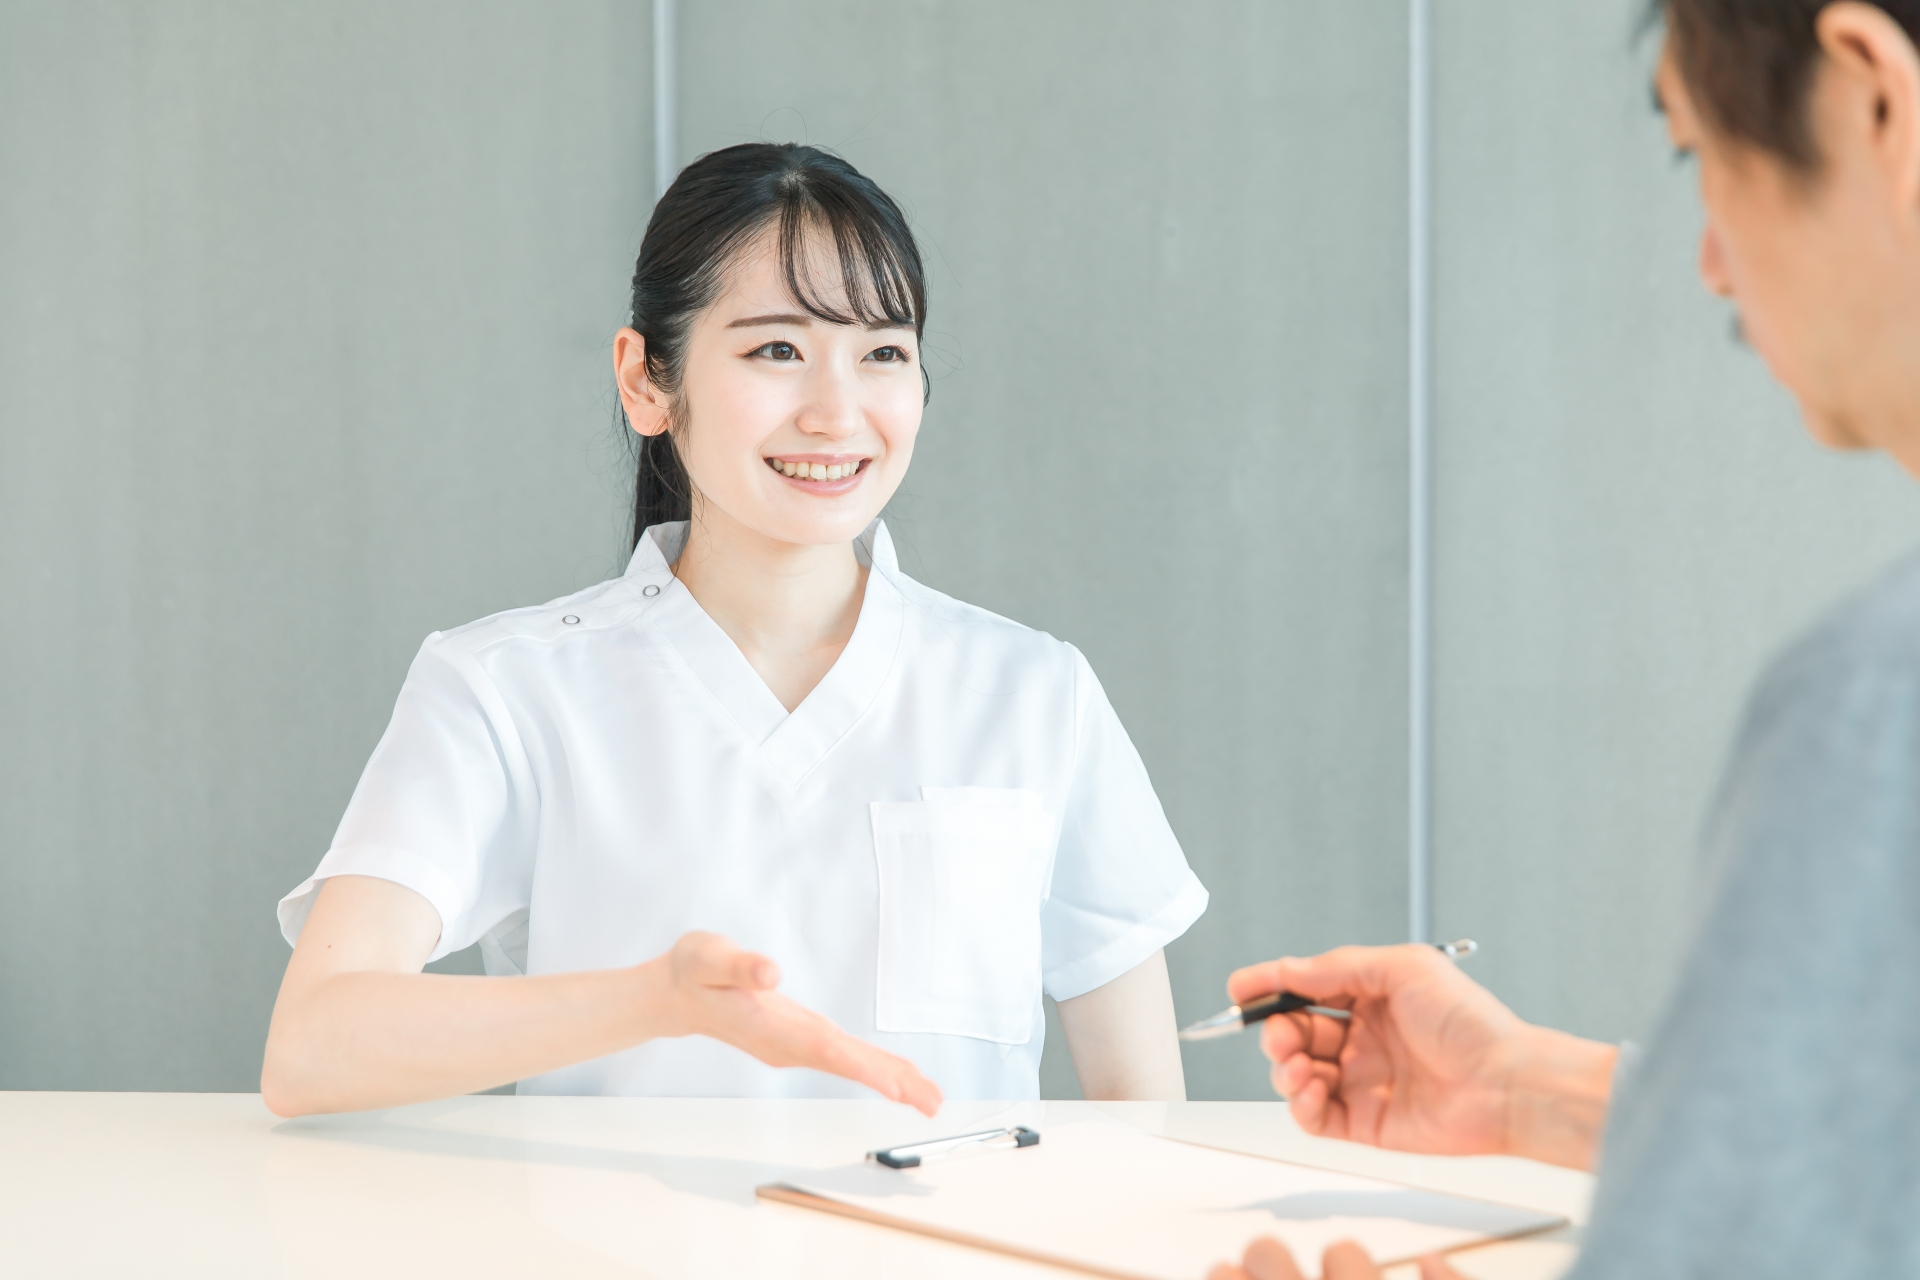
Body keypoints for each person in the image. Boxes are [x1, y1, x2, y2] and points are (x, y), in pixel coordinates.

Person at [260, 143, 1206, 1118]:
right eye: (776, 350)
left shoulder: (1034, 691)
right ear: (647, 381)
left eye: (883, 352)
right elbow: (313, 1048)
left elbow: (1141, 1105)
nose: (838, 413)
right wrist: (654, 1000)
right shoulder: (506, 686)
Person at [1212, 2, 1920, 1278]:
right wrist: (1537, 1087)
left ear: (1871, 96)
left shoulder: (1877, 703)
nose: (1710, 258)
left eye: (1695, 154)